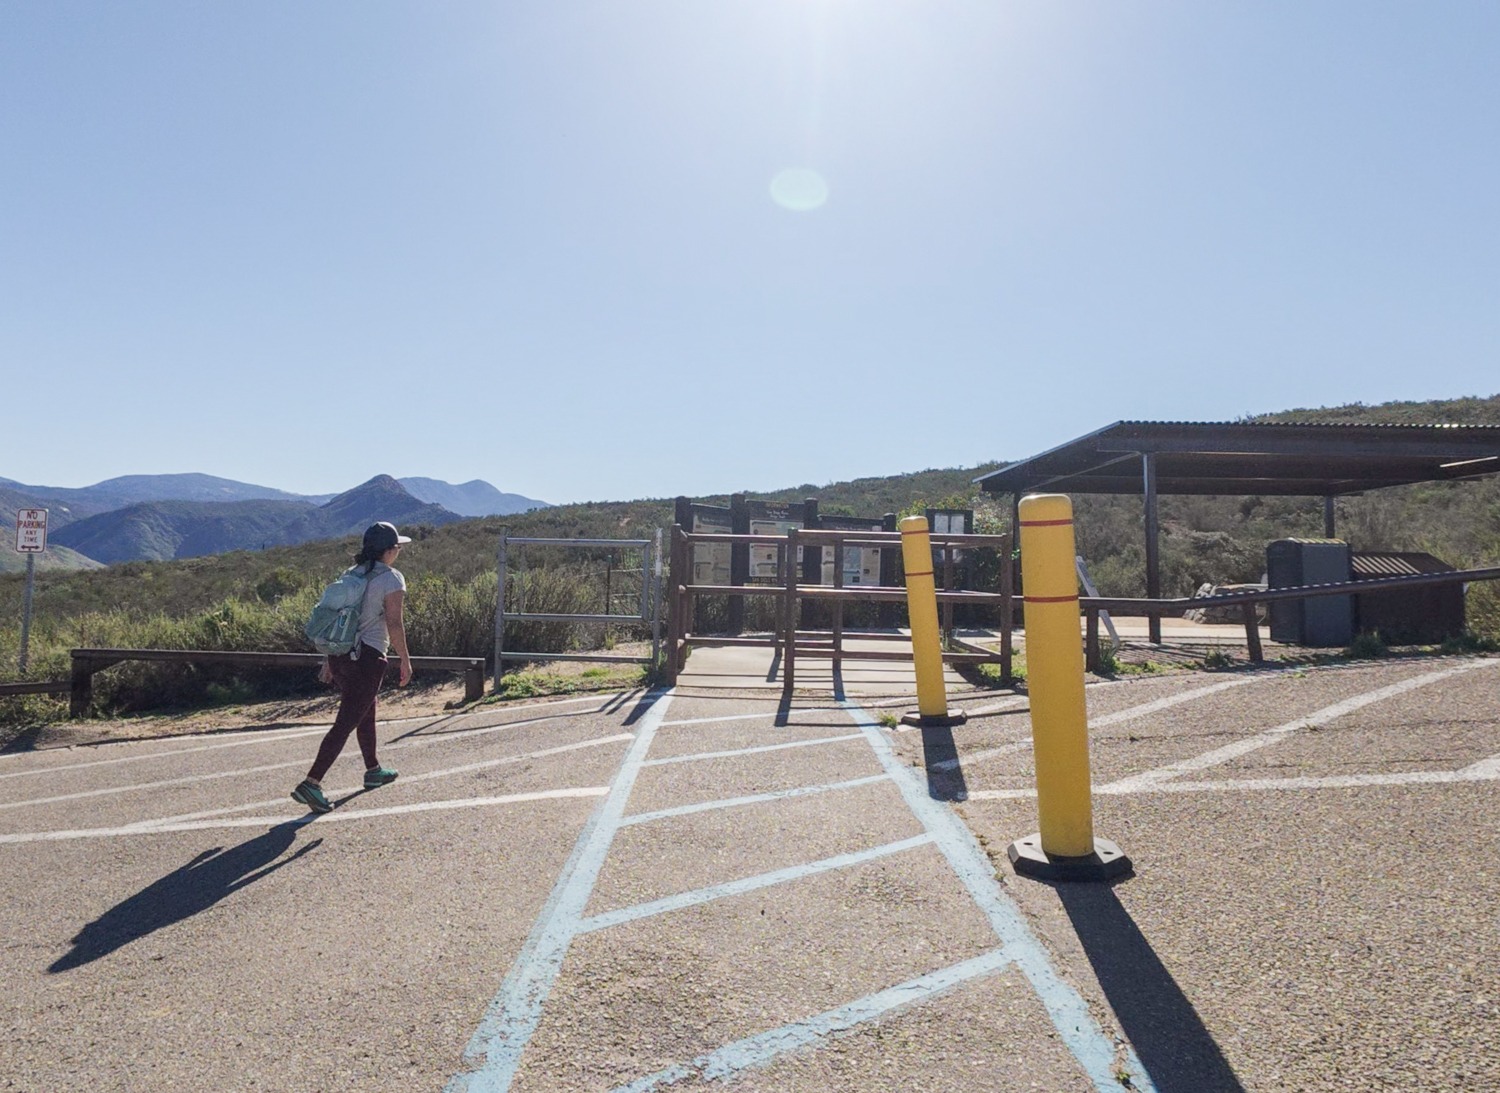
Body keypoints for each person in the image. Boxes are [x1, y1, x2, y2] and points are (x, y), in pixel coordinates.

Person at [291, 522, 414, 814]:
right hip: (368, 658)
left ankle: (373, 770)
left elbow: (334, 618)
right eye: (397, 547)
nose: (398, 551)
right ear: (388, 550)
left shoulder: (351, 574)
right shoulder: (392, 579)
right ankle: (312, 781)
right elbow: (394, 623)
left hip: (341, 655)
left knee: (365, 710)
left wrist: (327, 659)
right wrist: (406, 660)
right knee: (346, 722)